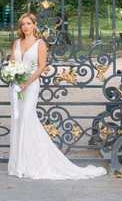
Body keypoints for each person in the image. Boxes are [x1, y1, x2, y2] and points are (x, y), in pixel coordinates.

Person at [8, 12, 107, 180]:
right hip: (17, 86)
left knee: (26, 118)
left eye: (28, 24)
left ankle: (32, 162)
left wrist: (26, 82)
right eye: (23, 24)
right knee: (17, 121)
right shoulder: (17, 43)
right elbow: (12, 62)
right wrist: (12, 75)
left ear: (34, 25)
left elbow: (41, 67)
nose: (25, 27)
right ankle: (18, 163)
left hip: (31, 86)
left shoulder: (40, 43)